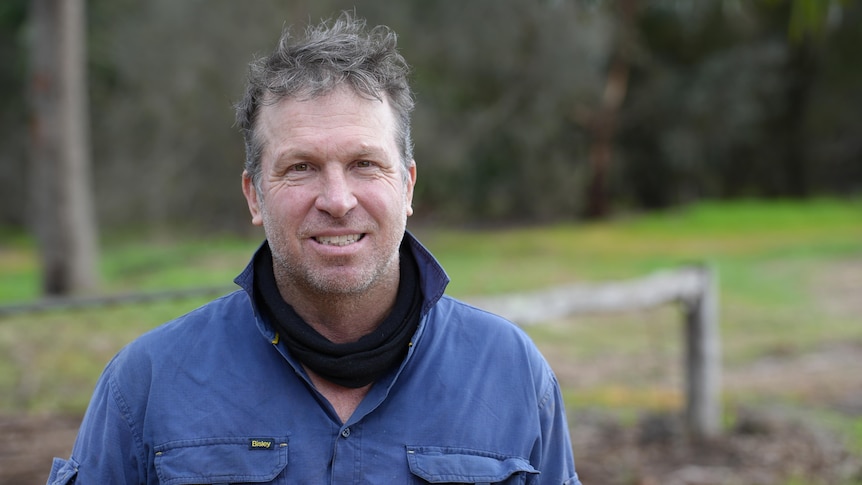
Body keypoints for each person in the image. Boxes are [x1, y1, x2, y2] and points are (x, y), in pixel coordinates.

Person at [47, 12, 582, 485]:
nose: (337, 199)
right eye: (300, 167)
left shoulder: (511, 373)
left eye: (364, 164)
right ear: (254, 195)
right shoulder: (145, 385)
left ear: (409, 186)